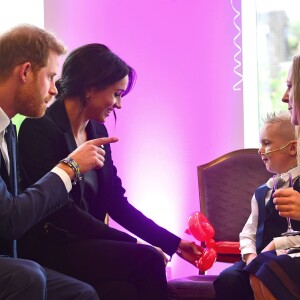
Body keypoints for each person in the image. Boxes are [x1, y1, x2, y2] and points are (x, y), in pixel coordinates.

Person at [16, 43, 201, 300]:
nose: (119, 104)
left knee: (122, 291)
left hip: (87, 244)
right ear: (90, 89)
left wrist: (173, 243)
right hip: (52, 245)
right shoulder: (38, 129)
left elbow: (116, 203)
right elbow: (60, 212)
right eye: (116, 94)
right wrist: (132, 243)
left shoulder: (98, 132)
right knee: (149, 259)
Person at [0, 24, 122, 300]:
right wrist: (69, 168)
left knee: (82, 293)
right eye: (51, 77)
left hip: (11, 257)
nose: (56, 90)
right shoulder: (32, 129)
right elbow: (10, 220)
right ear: (26, 72)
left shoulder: (8, 131)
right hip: (15, 261)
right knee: (27, 276)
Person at [213, 111, 300, 300]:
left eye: (266, 143)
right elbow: (248, 232)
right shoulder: (262, 191)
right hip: (258, 259)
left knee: (271, 273)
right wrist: (250, 257)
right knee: (228, 279)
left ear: (292, 148)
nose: (260, 150)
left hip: (288, 257)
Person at [244, 55, 300, 300]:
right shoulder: (263, 190)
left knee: (270, 268)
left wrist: (277, 245)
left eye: (290, 86)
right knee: (260, 268)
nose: (284, 96)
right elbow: (248, 232)